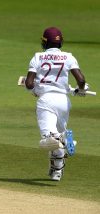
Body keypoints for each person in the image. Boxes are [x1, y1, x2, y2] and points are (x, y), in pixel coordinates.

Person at [25, 27, 88, 181]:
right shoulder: (68, 57)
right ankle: (57, 172)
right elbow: (81, 80)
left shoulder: (38, 57)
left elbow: (28, 83)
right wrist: (80, 89)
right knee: (55, 144)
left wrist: (34, 90)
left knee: (49, 140)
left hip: (46, 100)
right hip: (63, 101)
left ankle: (66, 140)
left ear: (44, 42)